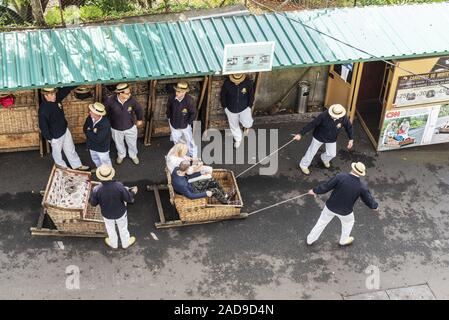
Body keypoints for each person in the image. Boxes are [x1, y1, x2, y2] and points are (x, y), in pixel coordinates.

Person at [306, 162, 379, 246]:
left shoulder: (340, 176)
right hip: (345, 212)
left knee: (321, 222)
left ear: (352, 168)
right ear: (361, 174)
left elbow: (326, 187)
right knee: (348, 223)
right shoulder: (362, 186)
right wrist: (375, 207)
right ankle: (343, 240)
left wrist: (314, 191)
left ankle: (310, 239)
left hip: (330, 207)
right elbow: (368, 199)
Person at [293, 104, 354, 175]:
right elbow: (312, 124)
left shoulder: (343, 117)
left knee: (332, 154)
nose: (334, 117)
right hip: (319, 137)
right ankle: (303, 165)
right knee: (311, 152)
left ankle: (324, 158)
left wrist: (351, 139)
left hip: (332, 138)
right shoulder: (323, 116)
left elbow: (349, 127)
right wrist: (300, 134)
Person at [38, 87, 90, 171]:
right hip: (55, 136)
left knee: (70, 148)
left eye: (54, 93)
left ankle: (77, 165)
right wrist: (50, 138)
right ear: (46, 95)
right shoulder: (43, 110)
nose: (54, 95)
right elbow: (43, 126)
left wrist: (75, 84)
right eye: (52, 94)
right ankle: (63, 169)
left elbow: (66, 90)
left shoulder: (56, 98)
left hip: (65, 130)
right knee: (57, 154)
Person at [89, 165, 138, 250]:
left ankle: (113, 244)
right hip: (120, 213)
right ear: (111, 175)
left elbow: (93, 203)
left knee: (110, 229)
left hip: (106, 214)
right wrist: (133, 192)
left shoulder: (96, 189)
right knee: (123, 228)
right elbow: (129, 199)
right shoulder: (119, 186)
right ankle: (125, 243)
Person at [104, 83, 144, 165]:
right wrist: (108, 124)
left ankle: (133, 155)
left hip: (130, 127)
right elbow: (105, 113)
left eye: (130, 92)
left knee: (132, 143)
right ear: (119, 93)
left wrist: (139, 119)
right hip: (116, 128)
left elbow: (138, 109)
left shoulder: (132, 100)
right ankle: (121, 155)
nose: (129, 95)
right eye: (127, 93)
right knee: (119, 143)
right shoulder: (110, 101)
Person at [171, 160, 236, 204]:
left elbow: (187, 176)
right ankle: (226, 202)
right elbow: (190, 196)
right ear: (187, 169)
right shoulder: (182, 184)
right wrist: (206, 193)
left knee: (212, 181)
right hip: (192, 190)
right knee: (214, 190)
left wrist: (201, 173)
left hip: (190, 185)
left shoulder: (176, 169)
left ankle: (226, 195)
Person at [220, 73, 255, 149]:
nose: (236, 82)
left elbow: (251, 95)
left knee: (247, 122)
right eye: (235, 80)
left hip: (245, 108)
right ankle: (238, 140)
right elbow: (223, 95)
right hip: (231, 109)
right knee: (234, 126)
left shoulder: (247, 82)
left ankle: (247, 127)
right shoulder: (227, 83)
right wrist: (225, 107)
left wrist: (249, 106)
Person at [166, 82, 198, 157]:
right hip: (174, 124)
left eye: (179, 92)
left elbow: (193, 113)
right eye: (176, 91)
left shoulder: (189, 101)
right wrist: (169, 118)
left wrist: (188, 123)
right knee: (176, 140)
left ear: (184, 92)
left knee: (189, 141)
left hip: (185, 125)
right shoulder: (171, 98)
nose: (176, 93)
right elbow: (169, 108)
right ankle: (181, 155)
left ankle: (193, 156)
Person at [83, 102, 112, 172]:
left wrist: (89, 131)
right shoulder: (89, 118)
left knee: (105, 161)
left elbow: (98, 139)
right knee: (95, 159)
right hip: (91, 146)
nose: (89, 112)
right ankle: (99, 169)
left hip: (102, 148)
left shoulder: (105, 124)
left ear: (97, 114)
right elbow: (84, 128)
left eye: (91, 111)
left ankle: (107, 173)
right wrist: (93, 132)